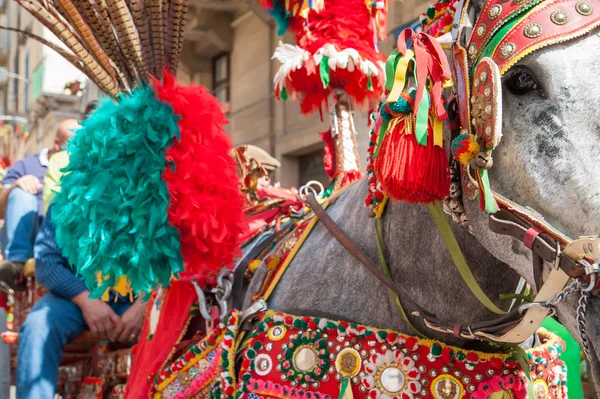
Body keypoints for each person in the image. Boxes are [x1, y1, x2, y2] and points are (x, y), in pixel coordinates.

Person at [16, 204, 147, 398]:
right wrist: (86, 301)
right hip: (78, 297)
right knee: (38, 326)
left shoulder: (161, 192)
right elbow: (47, 261)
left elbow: (182, 260)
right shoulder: (68, 198)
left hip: (146, 299)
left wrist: (146, 304)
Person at [0, 119, 80, 290]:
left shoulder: (82, 166)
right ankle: (16, 263)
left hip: (59, 233)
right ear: (57, 144)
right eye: (71, 145)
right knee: (22, 194)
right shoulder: (25, 166)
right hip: (29, 233)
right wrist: (16, 184)